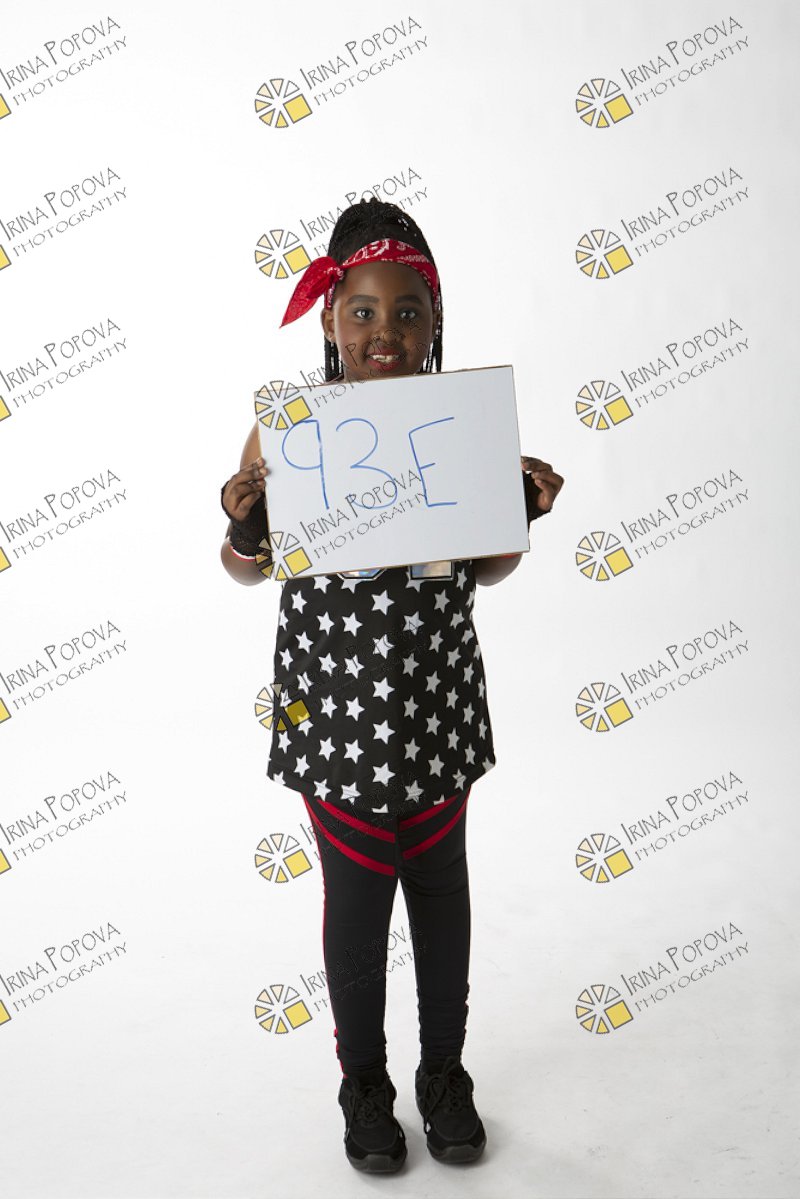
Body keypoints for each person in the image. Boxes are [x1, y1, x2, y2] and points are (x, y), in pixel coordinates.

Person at [220, 198, 564, 1174]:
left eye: (407, 313)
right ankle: (363, 1082)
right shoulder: (287, 431)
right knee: (359, 903)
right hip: (334, 714)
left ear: (433, 321)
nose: (385, 331)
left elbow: (486, 566)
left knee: (443, 894)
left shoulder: (460, 426)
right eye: (363, 311)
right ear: (331, 318)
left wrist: (519, 509)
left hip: (434, 702)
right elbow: (244, 569)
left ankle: (443, 1071)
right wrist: (248, 527)